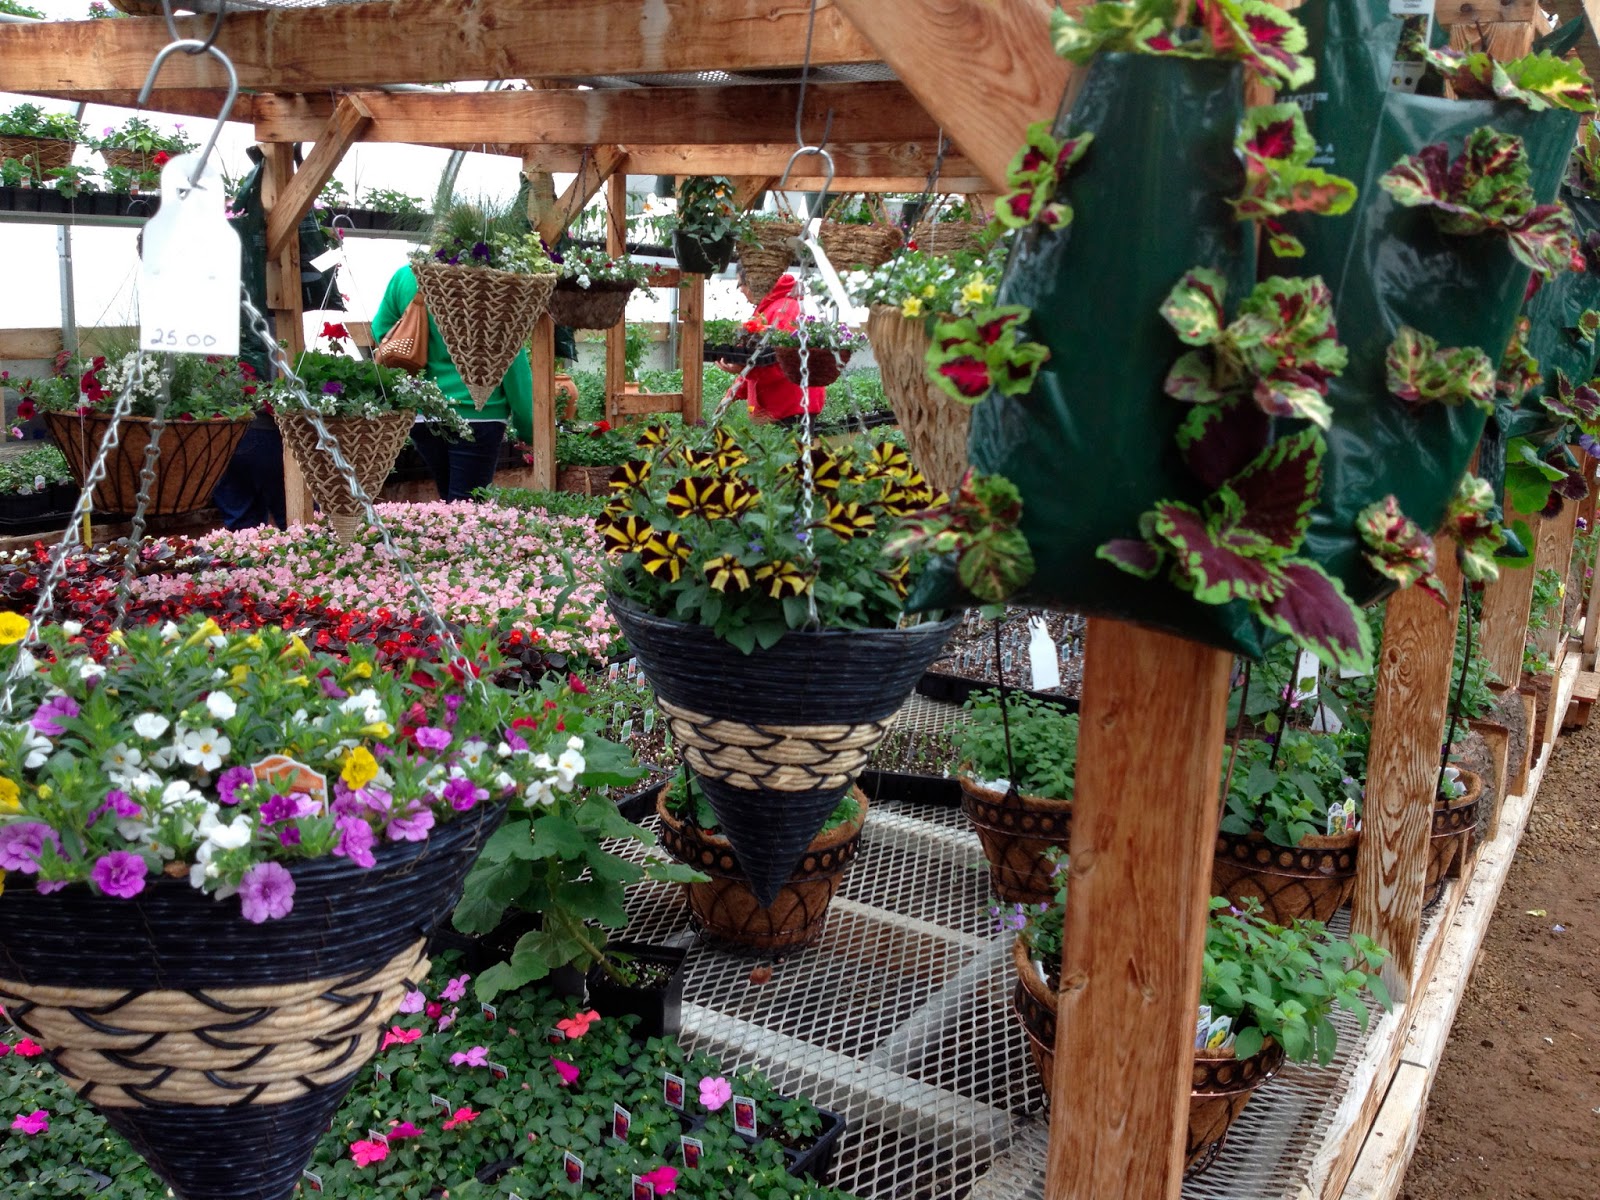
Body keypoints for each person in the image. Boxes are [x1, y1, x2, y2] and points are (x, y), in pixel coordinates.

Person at [371, 263, 534, 501]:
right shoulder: (492, 281)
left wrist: (422, 350)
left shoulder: (408, 276)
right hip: (480, 413)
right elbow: (511, 359)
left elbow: (380, 331)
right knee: (469, 509)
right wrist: (529, 427)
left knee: (453, 507)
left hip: (424, 412)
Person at [723, 269, 825, 426]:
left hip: (789, 408)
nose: (741, 291)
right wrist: (732, 394)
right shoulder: (772, 308)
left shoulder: (783, 311)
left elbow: (783, 363)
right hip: (785, 407)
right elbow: (757, 359)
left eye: (740, 285)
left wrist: (742, 369)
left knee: (787, 450)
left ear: (753, 282)